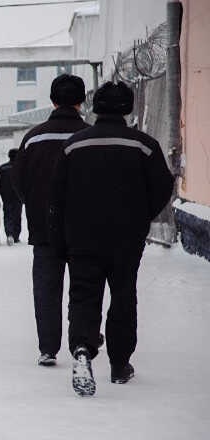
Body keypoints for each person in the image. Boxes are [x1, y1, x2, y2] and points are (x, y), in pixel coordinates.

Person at [50, 81, 174, 396]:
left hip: (82, 235)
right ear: (128, 107)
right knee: (123, 294)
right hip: (126, 236)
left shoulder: (74, 145)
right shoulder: (144, 145)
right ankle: (120, 365)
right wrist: (140, 216)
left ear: (95, 107)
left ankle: (81, 348)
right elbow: (162, 188)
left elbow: (57, 194)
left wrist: (62, 232)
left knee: (83, 294)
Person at [11, 74, 90, 367]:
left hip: (45, 228)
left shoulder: (34, 137)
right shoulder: (89, 135)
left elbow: (18, 180)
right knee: (83, 286)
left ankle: (48, 347)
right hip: (84, 229)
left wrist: (35, 205)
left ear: (52, 100)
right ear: (81, 102)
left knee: (46, 287)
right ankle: (82, 342)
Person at [0, 148, 22, 245]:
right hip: (19, 195)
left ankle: (9, 234)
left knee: (8, 215)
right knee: (17, 216)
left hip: (6, 195)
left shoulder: (2, 168)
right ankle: (16, 236)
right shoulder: (21, 167)